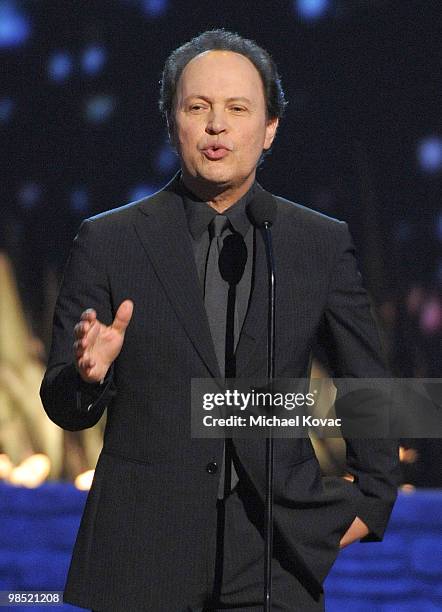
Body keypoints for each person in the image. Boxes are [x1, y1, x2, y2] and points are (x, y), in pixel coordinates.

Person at [40, 30, 400, 611]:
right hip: (142, 552)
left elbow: (372, 387)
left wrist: (374, 499)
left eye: (238, 109)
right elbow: (61, 404)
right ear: (171, 121)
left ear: (270, 128)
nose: (217, 126)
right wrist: (88, 376)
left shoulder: (319, 244)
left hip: (273, 553)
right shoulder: (108, 241)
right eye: (197, 107)